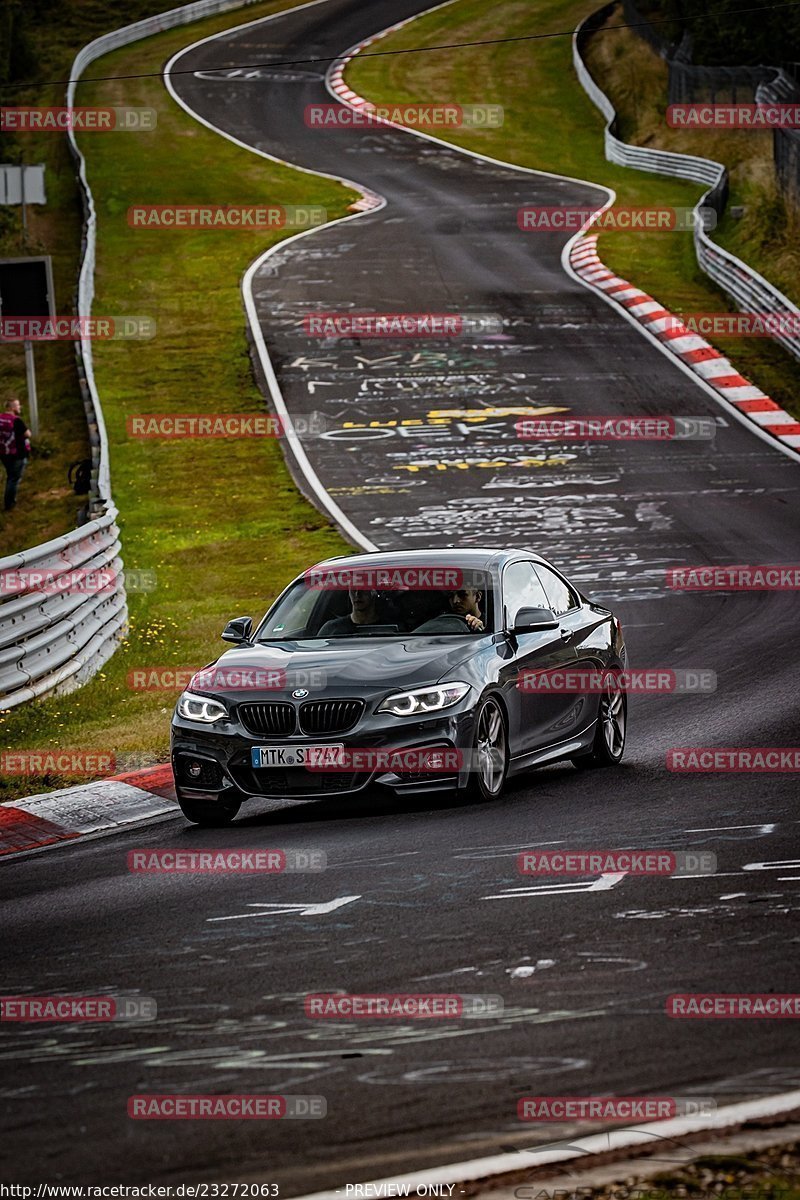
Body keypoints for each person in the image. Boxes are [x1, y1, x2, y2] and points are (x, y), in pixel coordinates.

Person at [0, 398, 31, 512]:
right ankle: (9, 504)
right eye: (18, 405)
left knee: (10, 476)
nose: (19, 408)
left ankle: (9, 501)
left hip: (4, 453)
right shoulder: (16, 420)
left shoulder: (1, 418)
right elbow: (28, 434)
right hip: (18, 454)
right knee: (14, 479)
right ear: (12, 407)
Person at [413, 585, 485, 634]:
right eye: (451, 595)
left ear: (478, 597)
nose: (455, 601)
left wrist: (481, 629)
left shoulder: (491, 623)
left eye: (462, 594)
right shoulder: (440, 621)